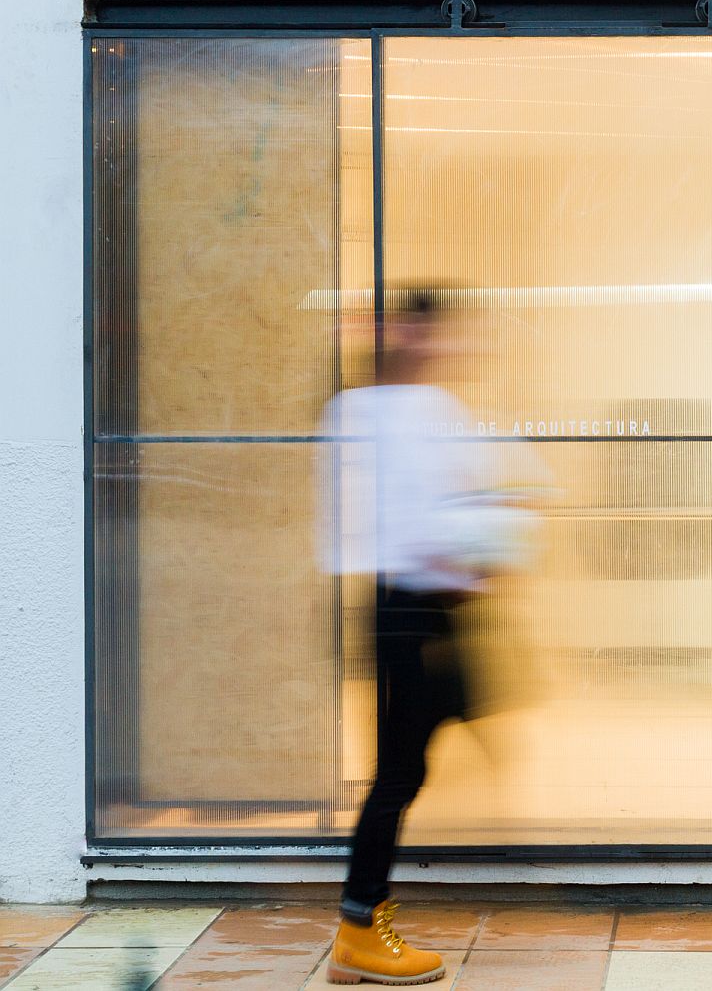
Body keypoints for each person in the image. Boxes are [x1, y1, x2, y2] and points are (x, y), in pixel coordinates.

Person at [319, 287, 486, 986]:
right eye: (430, 333)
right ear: (401, 336)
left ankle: (364, 918)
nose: (440, 346)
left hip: (418, 603)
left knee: (410, 762)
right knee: (398, 772)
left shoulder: (400, 410)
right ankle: (358, 928)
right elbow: (403, 522)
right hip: (406, 604)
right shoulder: (380, 412)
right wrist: (465, 552)